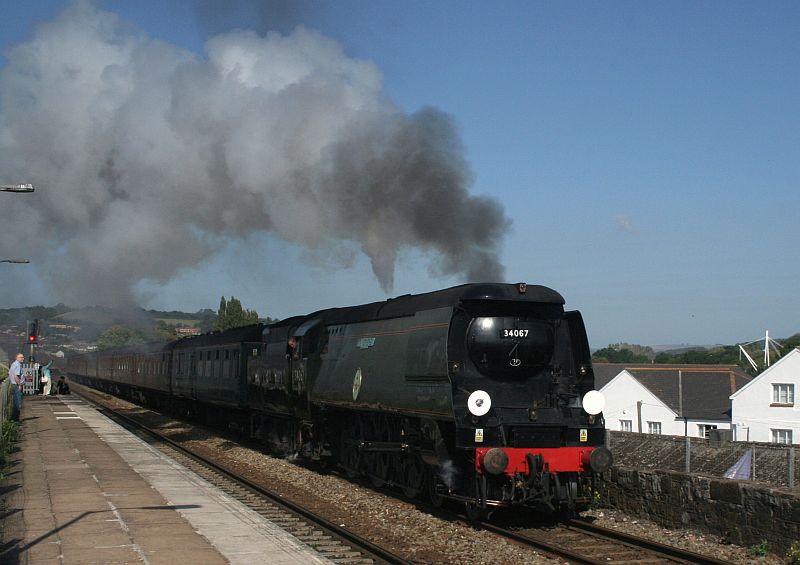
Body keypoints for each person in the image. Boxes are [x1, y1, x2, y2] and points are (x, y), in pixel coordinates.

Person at [8, 353, 24, 421]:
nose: (23, 358)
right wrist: (19, 384)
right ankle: (15, 419)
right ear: (17, 358)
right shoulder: (17, 365)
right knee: (18, 403)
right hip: (17, 385)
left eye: (23, 357)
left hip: (14, 384)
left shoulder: (13, 364)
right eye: (21, 357)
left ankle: (14, 418)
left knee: (15, 402)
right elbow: (16, 376)